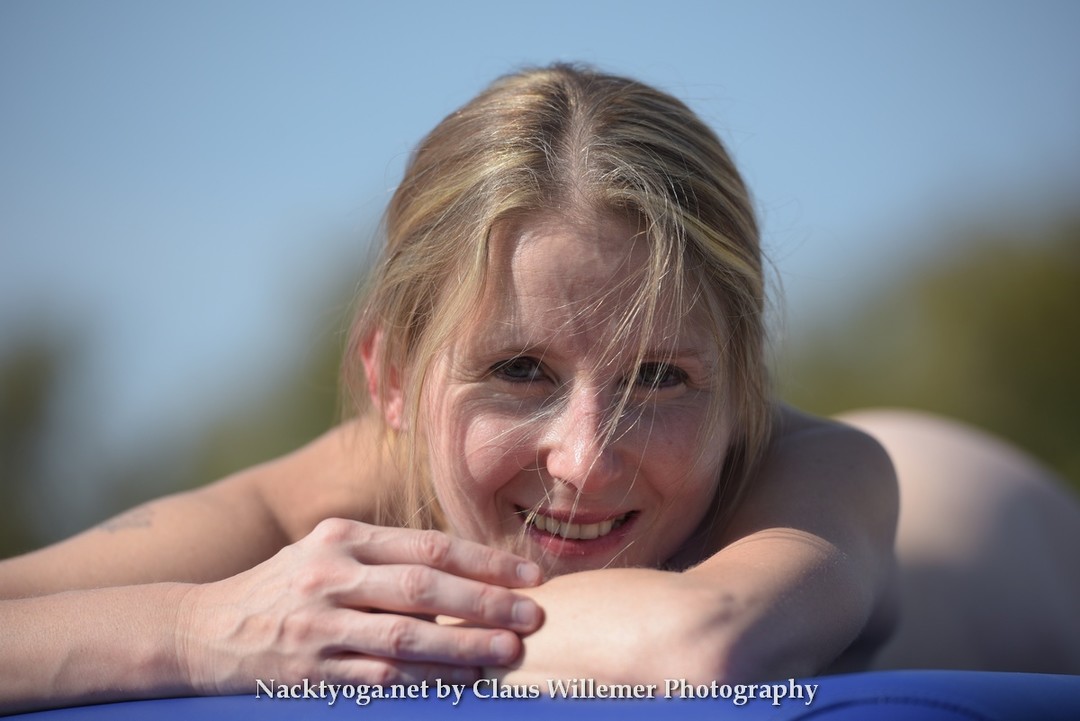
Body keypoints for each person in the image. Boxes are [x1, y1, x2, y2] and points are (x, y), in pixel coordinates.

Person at [1, 63, 1078, 714]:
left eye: (659, 375)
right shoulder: (323, 504)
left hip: (999, 529)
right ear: (391, 375)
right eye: (520, 371)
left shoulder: (827, 474)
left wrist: (341, 629)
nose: (585, 456)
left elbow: (703, 646)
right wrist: (201, 628)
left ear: (745, 384)